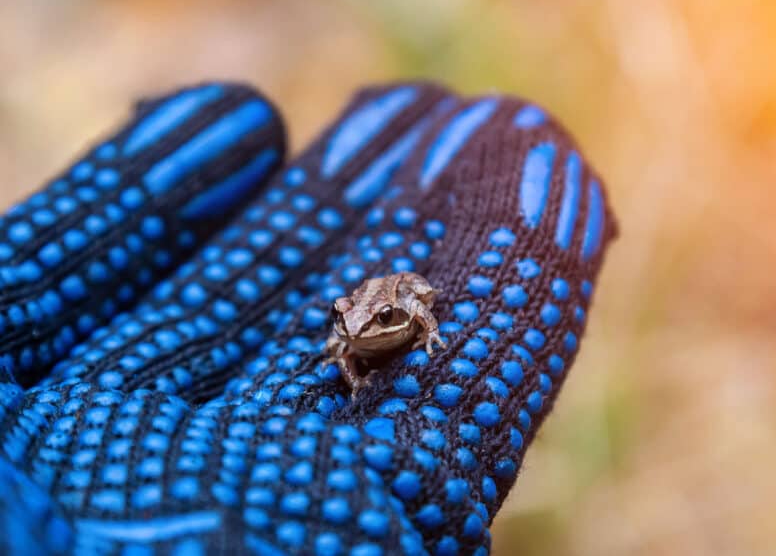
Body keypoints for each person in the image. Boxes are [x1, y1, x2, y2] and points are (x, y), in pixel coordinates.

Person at [0, 81, 615, 555]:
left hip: (398, 298)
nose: (349, 330)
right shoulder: (349, 332)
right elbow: (347, 337)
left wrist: (426, 339)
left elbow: (421, 310)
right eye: (342, 319)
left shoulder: (401, 314)